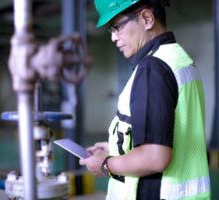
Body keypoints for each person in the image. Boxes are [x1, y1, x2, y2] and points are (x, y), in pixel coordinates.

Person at [79, 0, 211, 199]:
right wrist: (115, 148)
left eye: (117, 27)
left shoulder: (153, 68)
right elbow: (171, 135)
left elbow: (154, 157)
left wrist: (106, 164)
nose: (114, 38)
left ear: (147, 19)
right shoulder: (180, 60)